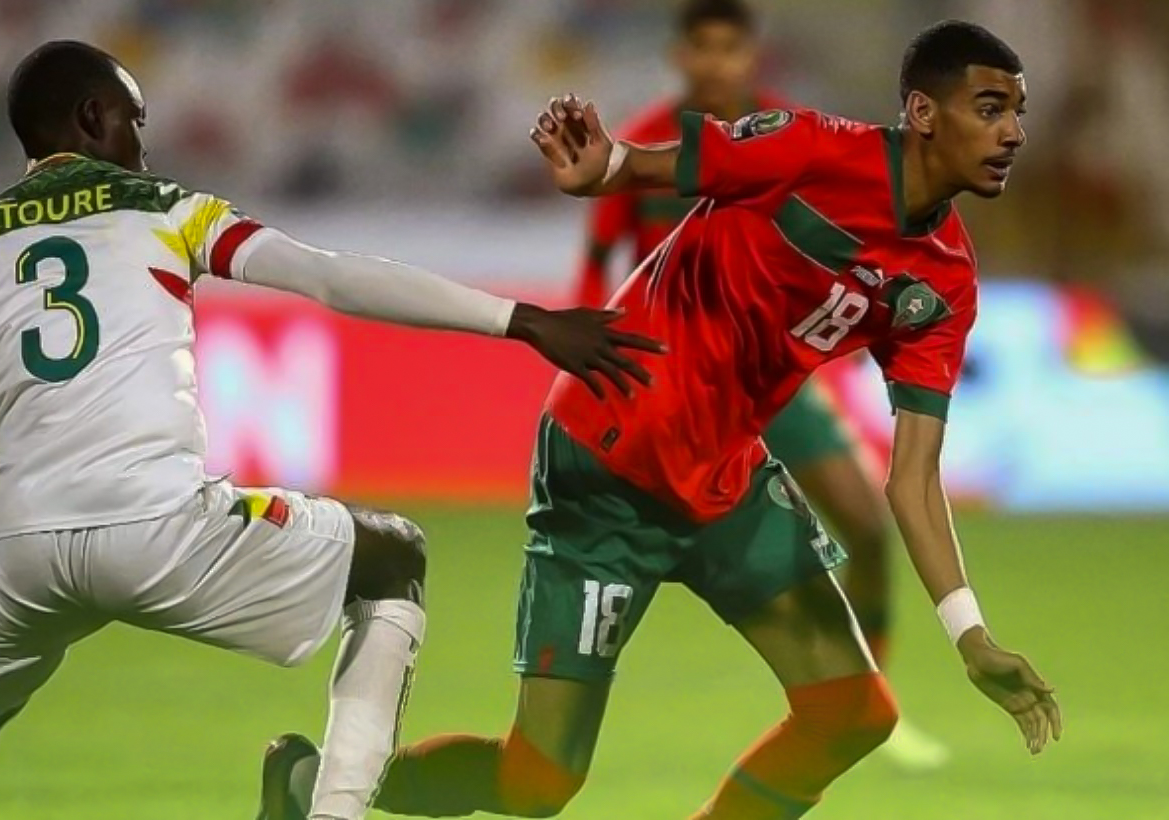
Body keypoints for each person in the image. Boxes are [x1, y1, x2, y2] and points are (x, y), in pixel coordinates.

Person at [258, 20, 1061, 820]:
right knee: (538, 784)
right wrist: (600, 167)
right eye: (990, 109)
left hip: (724, 477)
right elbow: (639, 165)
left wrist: (970, 634)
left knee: (852, 713)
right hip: (611, 461)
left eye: (1017, 114)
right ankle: (314, 784)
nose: (1013, 134)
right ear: (922, 112)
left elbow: (913, 476)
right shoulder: (812, 150)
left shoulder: (944, 282)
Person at [0, 40, 662, 820]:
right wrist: (521, 319)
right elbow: (328, 276)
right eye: (133, 120)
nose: (142, 143)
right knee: (390, 556)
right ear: (93, 117)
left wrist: (44, 493)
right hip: (152, 525)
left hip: (19, 550)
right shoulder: (162, 208)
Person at [574, 0, 947, 769]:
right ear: (681, 55)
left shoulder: (795, 135)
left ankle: (866, 693)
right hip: (671, 380)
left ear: (752, 55)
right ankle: (572, 713)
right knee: (640, 554)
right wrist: (588, 362)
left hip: (772, 377)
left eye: (731, 48)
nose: (717, 63)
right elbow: (597, 261)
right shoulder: (646, 141)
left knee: (867, 525)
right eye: (703, 48)